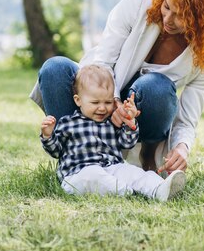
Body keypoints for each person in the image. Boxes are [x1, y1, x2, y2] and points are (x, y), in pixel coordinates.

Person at [31, 0, 204, 179]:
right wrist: (114, 101)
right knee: (54, 68)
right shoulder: (139, 2)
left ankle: (145, 154)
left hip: (143, 115)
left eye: (180, 16)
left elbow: (187, 118)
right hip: (98, 94)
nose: (168, 20)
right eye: (167, 7)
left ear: (200, 19)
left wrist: (182, 147)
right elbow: (103, 62)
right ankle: (76, 156)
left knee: (156, 86)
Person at [40, 64, 186, 200]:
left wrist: (130, 123)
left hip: (111, 167)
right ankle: (124, 191)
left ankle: (160, 188)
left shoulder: (111, 122)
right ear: (78, 100)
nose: (102, 108)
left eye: (108, 102)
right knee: (93, 175)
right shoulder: (68, 123)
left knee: (134, 173)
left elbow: (127, 142)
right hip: (78, 173)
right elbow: (56, 151)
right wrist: (48, 135)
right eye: (95, 103)